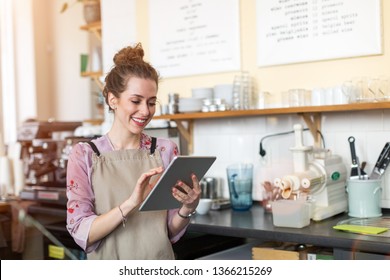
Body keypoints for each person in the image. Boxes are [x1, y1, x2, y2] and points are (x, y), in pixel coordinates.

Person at [66, 43, 201, 260]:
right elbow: (82, 233)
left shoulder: (165, 150)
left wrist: (188, 207)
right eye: (136, 101)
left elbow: (168, 231)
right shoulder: (85, 155)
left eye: (151, 102)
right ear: (112, 99)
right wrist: (131, 202)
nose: (145, 111)